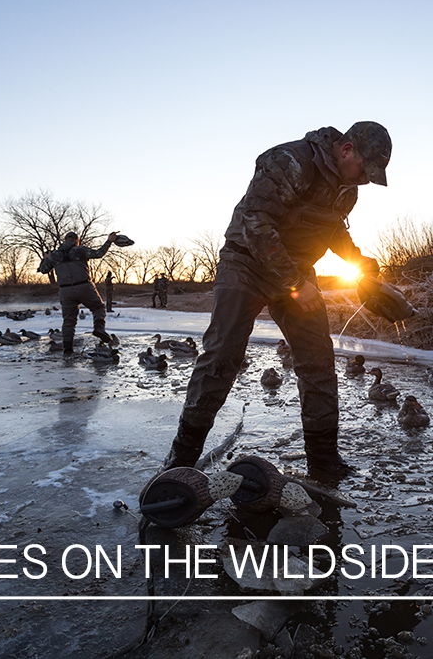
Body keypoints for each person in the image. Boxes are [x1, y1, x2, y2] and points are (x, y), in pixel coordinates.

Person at [162, 121, 390, 481]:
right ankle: (181, 460)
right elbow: (256, 223)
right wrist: (297, 284)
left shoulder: (347, 190)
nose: (365, 179)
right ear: (347, 150)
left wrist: (362, 266)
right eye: (365, 169)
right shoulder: (289, 160)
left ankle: (324, 460)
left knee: (318, 360)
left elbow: (334, 232)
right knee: (222, 357)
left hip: (296, 269)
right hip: (246, 262)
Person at [38, 231, 118, 355]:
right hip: (84, 285)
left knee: (69, 321)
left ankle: (68, 349)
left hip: (65, 290)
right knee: (98, 307)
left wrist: (45, 259)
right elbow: (98, 254)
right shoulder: (80, 250)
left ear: (65, 240)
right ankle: (99, 328)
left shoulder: (54, 255)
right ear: (76, 240)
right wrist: (109, 241)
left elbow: (43, 270)